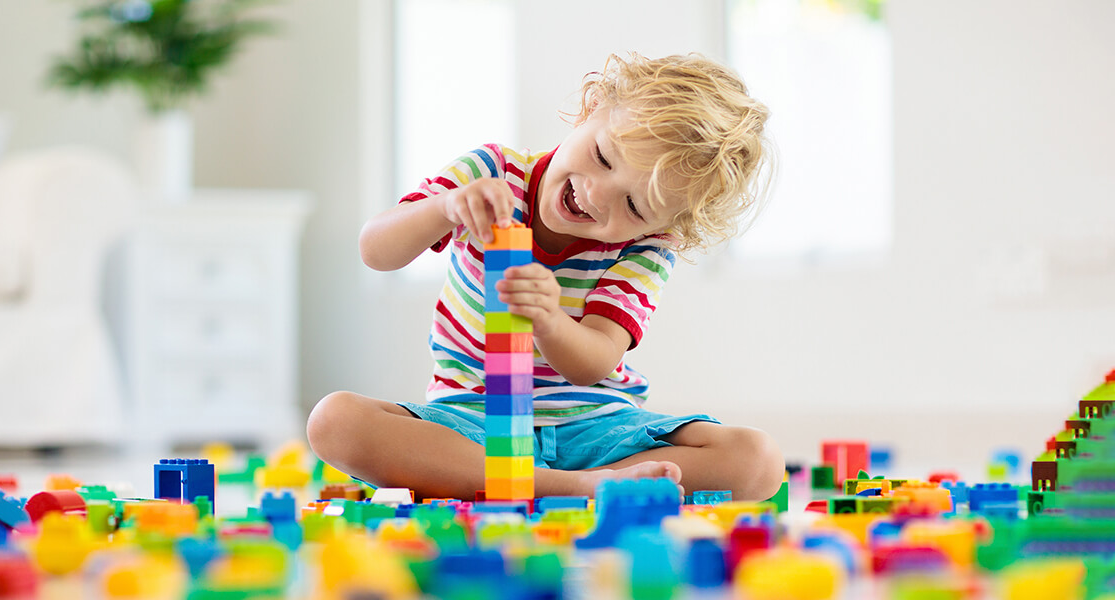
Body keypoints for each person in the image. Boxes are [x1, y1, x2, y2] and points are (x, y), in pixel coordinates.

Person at [308, 52, 784, 501]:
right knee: (335, 420)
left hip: (594, 426)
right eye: (602, 156)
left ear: (663, 223)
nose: (598, 195)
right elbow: (375, 250)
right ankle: (576, 488)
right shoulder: (492, 171)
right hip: (473, 418)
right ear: (592, 108)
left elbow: (595, 360)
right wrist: (444, 207)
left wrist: (549, 321)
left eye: (634, 205)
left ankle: (548, 481)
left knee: (758, 460)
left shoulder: (648, 247)